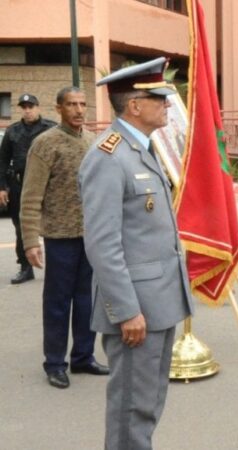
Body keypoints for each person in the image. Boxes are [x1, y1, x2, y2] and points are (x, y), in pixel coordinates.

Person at [79, 57, 194, 449]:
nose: (166, 104)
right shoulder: (108, 156)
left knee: (147, 404)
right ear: (134, 106)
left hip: (158, 302)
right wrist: (126, 310)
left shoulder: (139, 148)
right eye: (158, 98)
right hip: (137, 309)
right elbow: (102, 243)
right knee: (132, 409)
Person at [18, 87, 108, 389]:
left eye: (83, 104)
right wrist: (31, 241)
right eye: (72, 104)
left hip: (90, 237)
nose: (79, 110)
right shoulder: (44, 144)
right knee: (58, 303)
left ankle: (83, 356)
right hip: (59, 237)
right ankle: (55, 363)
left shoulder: (91, 141)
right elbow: (30, 198)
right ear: (58, 108)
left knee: (87, 300)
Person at [0, 93, 56, 284]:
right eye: (24, 107)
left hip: (48, 184)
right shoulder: (12, 131)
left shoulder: (51, 128)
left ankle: (57, 267)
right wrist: (2, 187)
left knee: (53, 225)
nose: (27, 110)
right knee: (21, 227)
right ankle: (25, 267)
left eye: (30, 106)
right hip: (19, 184)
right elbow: (3, 160)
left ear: (38, 107)